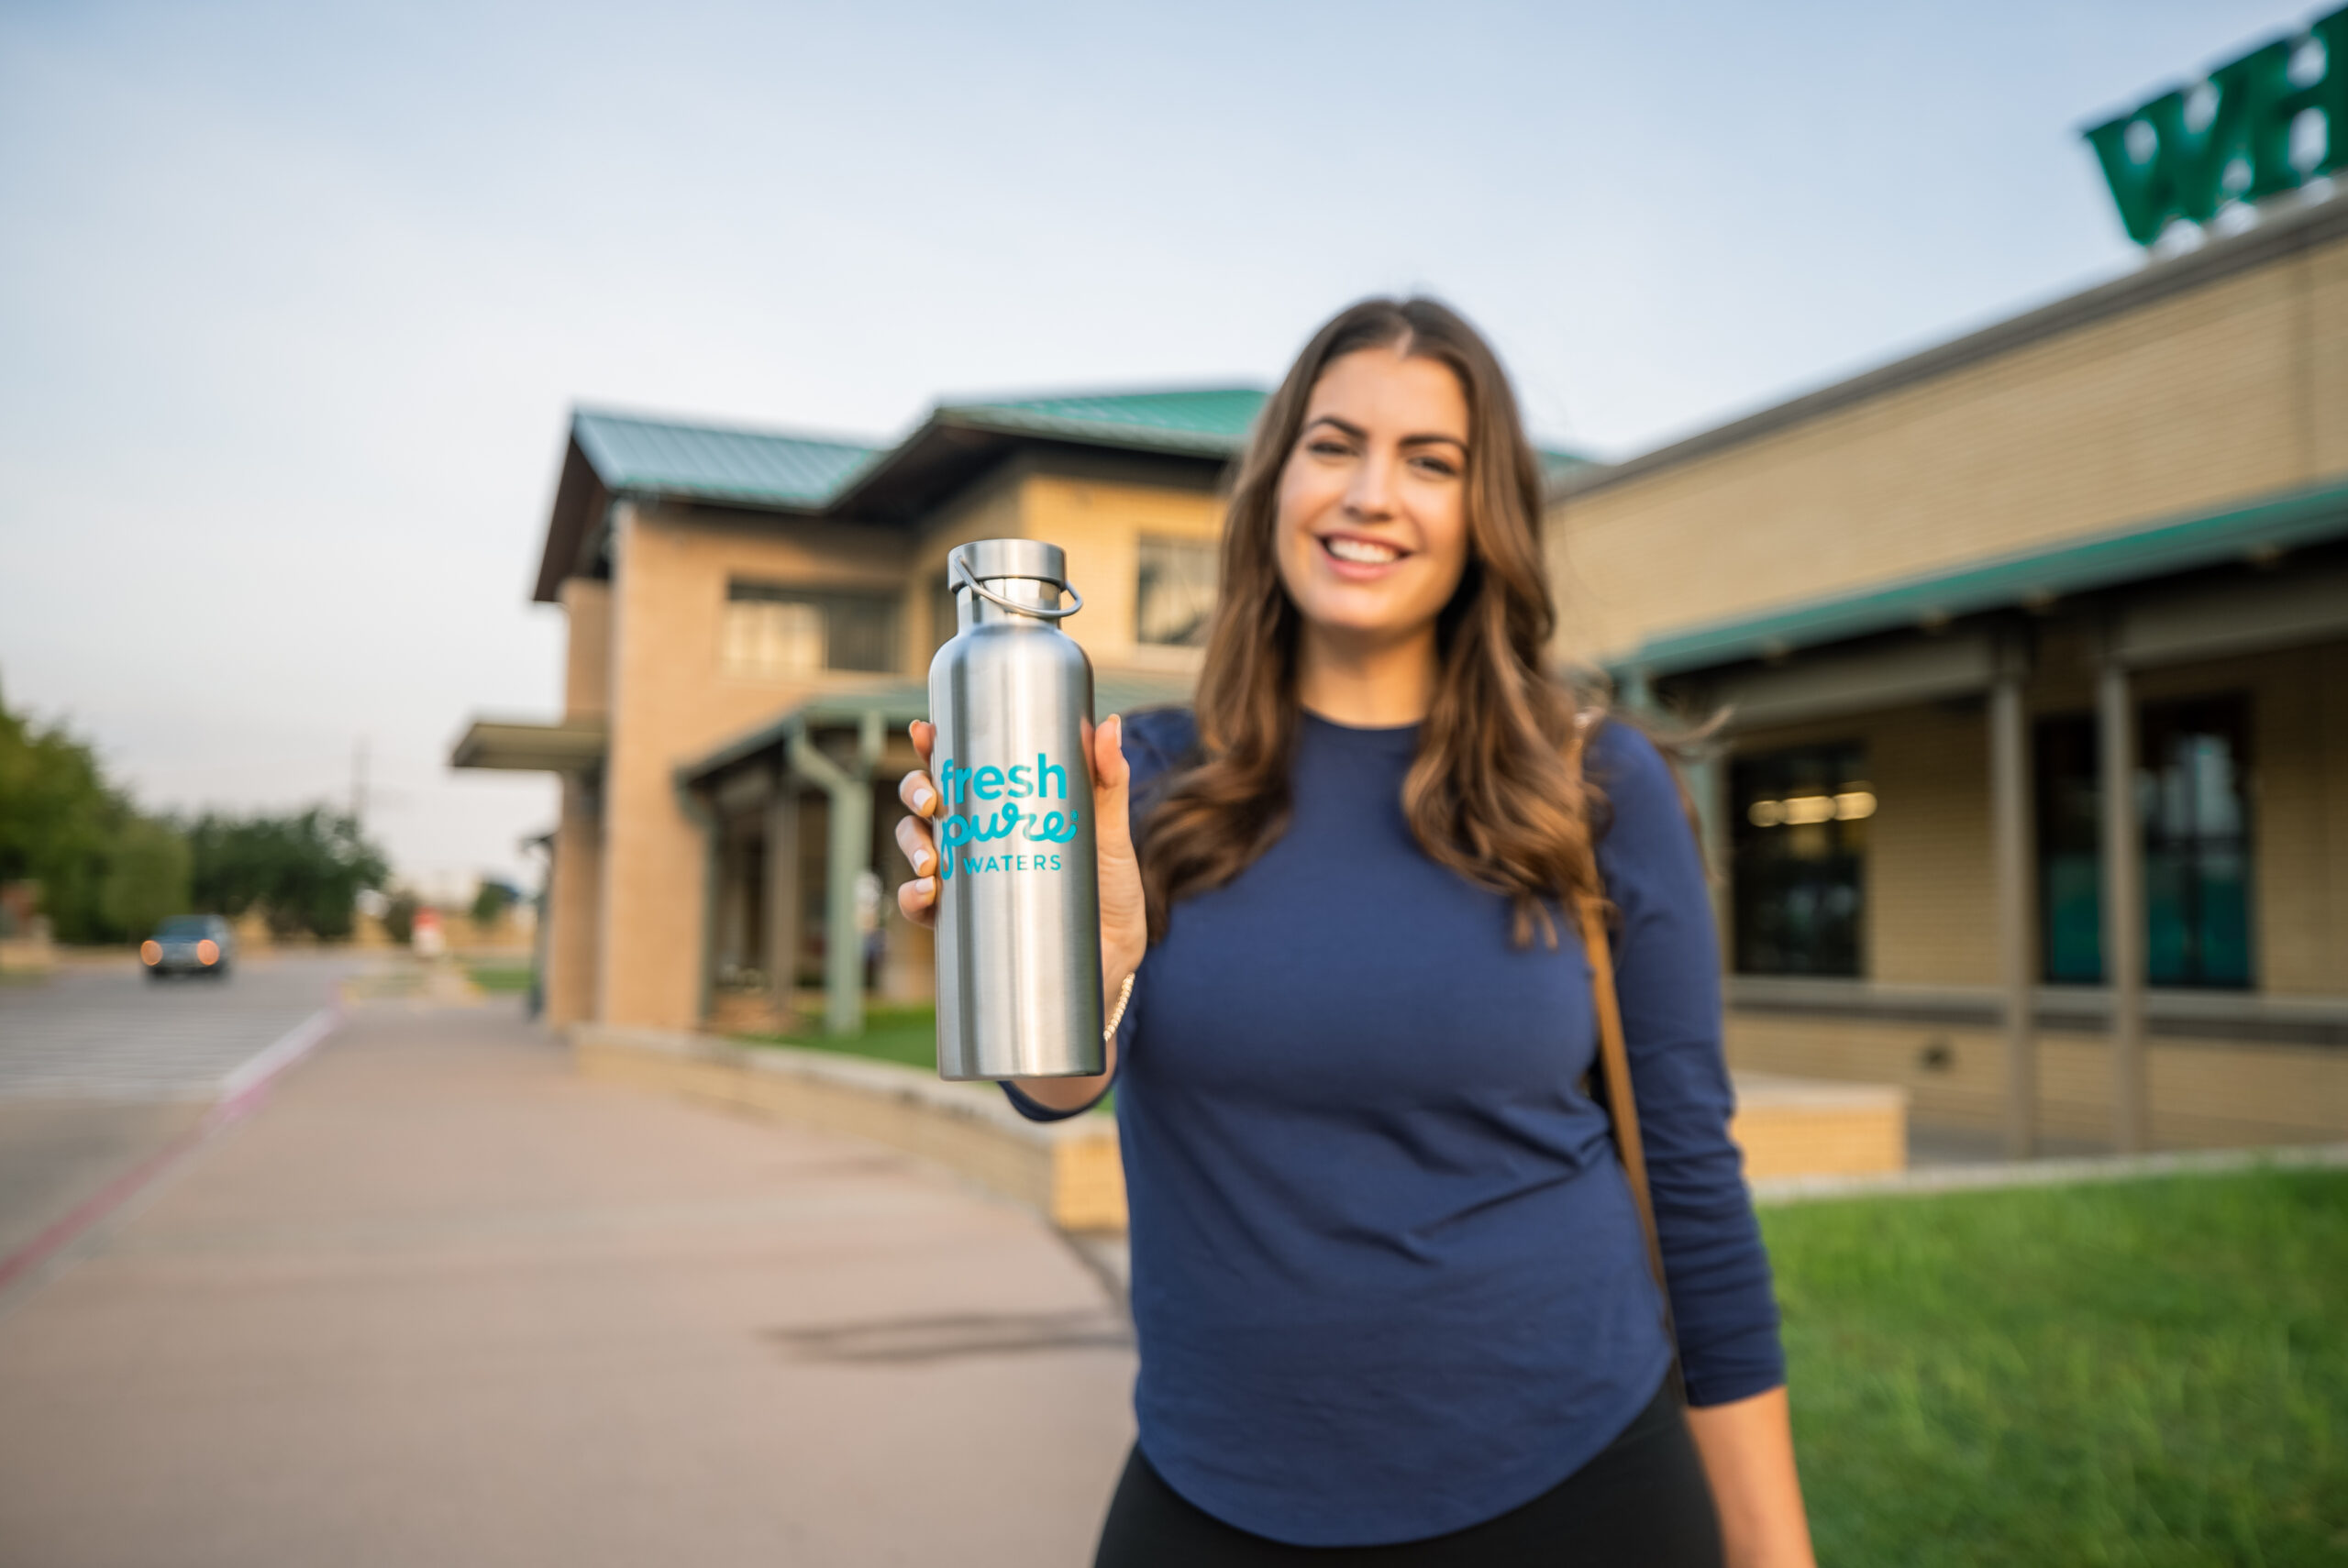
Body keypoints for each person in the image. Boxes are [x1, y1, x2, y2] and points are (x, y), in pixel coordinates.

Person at [893, 297, 1815, 1566]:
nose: (1372, 492)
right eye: (1334, 445)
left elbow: (1694, 1178)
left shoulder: (1592, 782)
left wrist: (1773, 1552)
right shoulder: (1135, 775)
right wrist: (1074, 964)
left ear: (1483, 515)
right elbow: (1053, 1083)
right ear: (1274, 482)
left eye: (1430, 461)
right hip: (1217, 1489)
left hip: (1580, 1482)